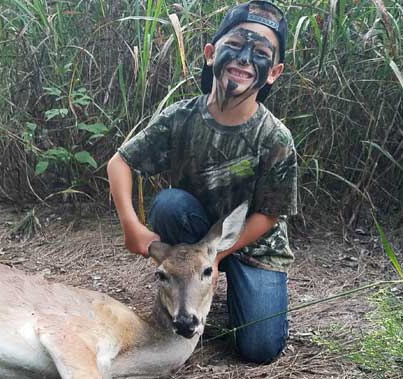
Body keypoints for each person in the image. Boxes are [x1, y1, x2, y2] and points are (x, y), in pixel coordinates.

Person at [107, 1, 296, 364]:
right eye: (235, 45)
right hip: (194, 232)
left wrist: (218, 256)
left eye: (259, 53)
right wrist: (131, 225)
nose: (243, 58)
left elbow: (269, 215)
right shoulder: (180, 117)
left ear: (273, 72)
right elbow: (119, 162)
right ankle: (185, 284)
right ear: (211, 53)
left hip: (254, 246)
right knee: (169, 204)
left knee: (259, 349)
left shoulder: (275, 137)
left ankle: (212, 283)